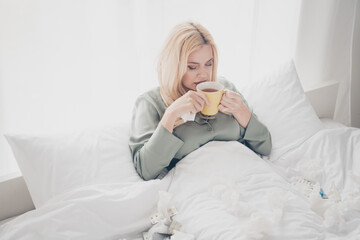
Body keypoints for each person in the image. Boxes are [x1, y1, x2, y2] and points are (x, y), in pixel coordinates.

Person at [129, 21, 271, 180]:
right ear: (174, 65)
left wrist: (242, 112)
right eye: (192, 67)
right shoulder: (150, 103)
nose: (203, 74)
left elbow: (266, 147)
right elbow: (146, 170)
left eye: (208, 64)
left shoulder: (225, 88)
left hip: (248, 176)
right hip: (199, 186)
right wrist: (171, 114)